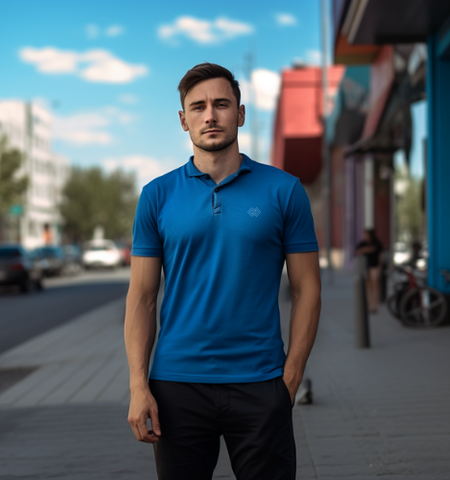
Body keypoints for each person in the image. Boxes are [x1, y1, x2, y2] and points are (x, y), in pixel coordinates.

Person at [124, 63, 322, 480]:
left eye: (221, 104)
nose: (210, 115)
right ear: (184, 120)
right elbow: (142, 296)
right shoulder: (156, 195)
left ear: (241, 113)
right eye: (198, 107)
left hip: (261, 381)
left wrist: (290, 378)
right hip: (177, 386)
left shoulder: (284, 190)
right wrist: (138, 386)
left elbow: (307, 289)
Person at [355, 228, 383, 313]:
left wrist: (380, 267)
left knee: (375, 285)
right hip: (366, 267)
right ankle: (368, 305)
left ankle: (375, 306)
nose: (365, 236)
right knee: (368, 286)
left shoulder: (376, 243)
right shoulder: (363, 243)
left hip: (375, 266)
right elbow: (357, 251)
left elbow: (379, 254)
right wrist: (367, 249)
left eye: (366, 234)